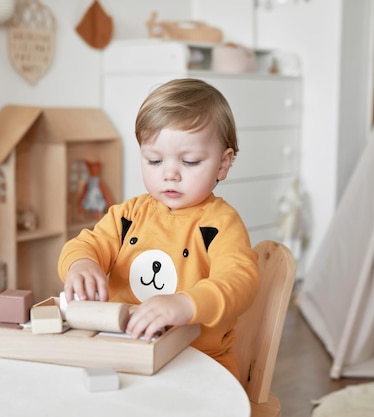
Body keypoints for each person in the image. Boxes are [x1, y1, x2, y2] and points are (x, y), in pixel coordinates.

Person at [57, 78, 259, 380]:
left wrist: (186, 304)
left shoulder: (220, 224)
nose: (169, 174)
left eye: (189, 162)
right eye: (154, 160)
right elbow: (87, 244)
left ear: (222, 164)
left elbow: (240, 281)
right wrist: (81, 264)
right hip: (124, 353)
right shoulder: (128, 216)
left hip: (198, 363)